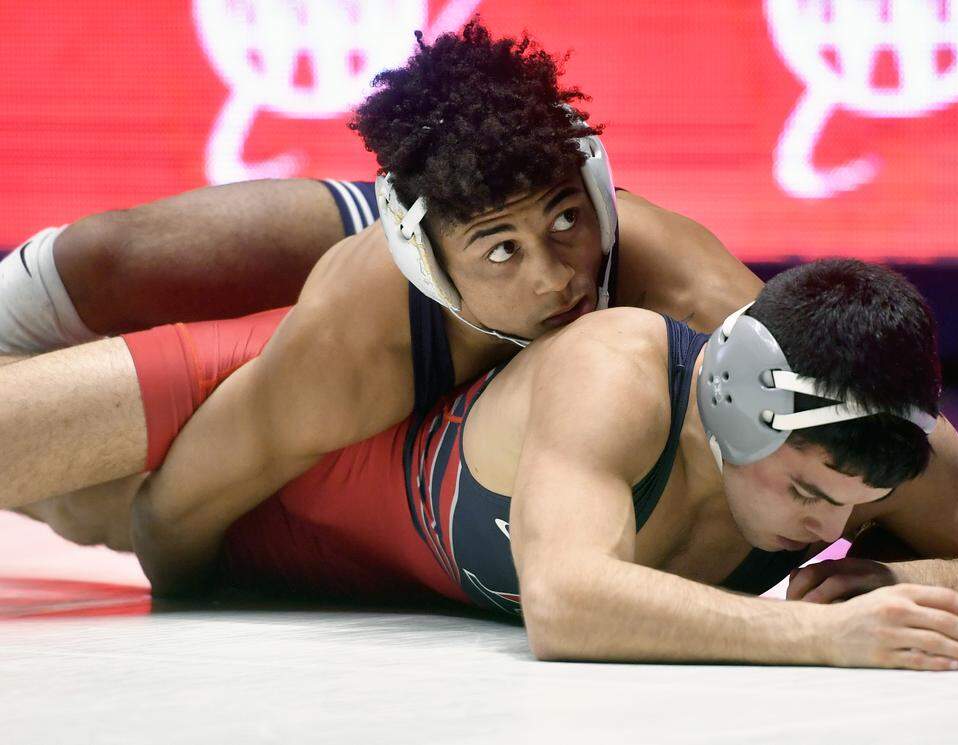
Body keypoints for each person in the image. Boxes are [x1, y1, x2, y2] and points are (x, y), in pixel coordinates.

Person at [2, 259, 958, 668]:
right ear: (735, 400)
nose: (824, 527)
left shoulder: (874, 438)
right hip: (259, 405)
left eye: (856, 509)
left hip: (289, 564)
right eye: (807, 490)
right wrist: (822, 635)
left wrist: (901, 577)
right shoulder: (621, 367)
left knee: (80, 512)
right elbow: (568, 601)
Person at [0, 21, 754, 537]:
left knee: (87, 504)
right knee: (111, 260)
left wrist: (842, 561)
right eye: (506, 253)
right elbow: (169, 523)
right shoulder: (365, 314)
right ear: (426, 256)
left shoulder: (689, 287)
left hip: (461, 249)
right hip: (410, 258)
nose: (556, 280)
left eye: (566, 221)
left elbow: (819, 384)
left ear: (593, 193)